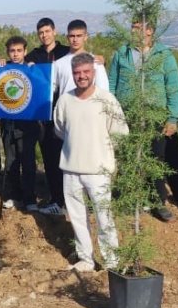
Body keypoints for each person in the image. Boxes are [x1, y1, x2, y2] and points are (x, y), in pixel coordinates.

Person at [53, 53, 129, 272]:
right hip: (71, 168)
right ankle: (86, 258)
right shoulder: (65, 100)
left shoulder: (107, 100)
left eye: (86, 72)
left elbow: (120, 133)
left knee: (104, 217)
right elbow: (60, 129)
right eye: (77, 73)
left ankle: (111, 261)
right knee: (77, 217)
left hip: (99, 170)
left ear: (93, 73)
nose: (82, 77)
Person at [108, 19, 178, 221]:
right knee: (128, 159)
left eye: (138, 28)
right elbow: (111, 85)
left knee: (155, 160)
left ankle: (157, 202)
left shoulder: (164, 55)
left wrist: (172, 118)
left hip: (155, 117)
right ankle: (129, 199)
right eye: (132, 27)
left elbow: (173, 88)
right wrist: (111, 113)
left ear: (150, 30)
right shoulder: (121, 54)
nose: (134, 31)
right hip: (126, 116)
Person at [26, 18, 71, 215]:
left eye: (47, 31)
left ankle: (72, 200)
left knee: (69, 158)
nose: (44, 35)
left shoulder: (66, 52)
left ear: (54, 31)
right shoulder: (34, 55)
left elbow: (84, 60)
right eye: (41, 32)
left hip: (65, 112)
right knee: (50, 159)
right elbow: (18, 67)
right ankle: (56, 200)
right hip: (43, 116)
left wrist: (99, 59)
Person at [0, 36, 40, 211]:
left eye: (19, 50)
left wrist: (34, 71)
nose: (15, 54)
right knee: (11, 163)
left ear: (24, 51)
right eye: (12, 51)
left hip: (28, 126)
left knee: (28, 162)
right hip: (8, 126)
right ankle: (14, 196)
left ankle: (30, 199)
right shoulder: (2, 69)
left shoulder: (32, 69)